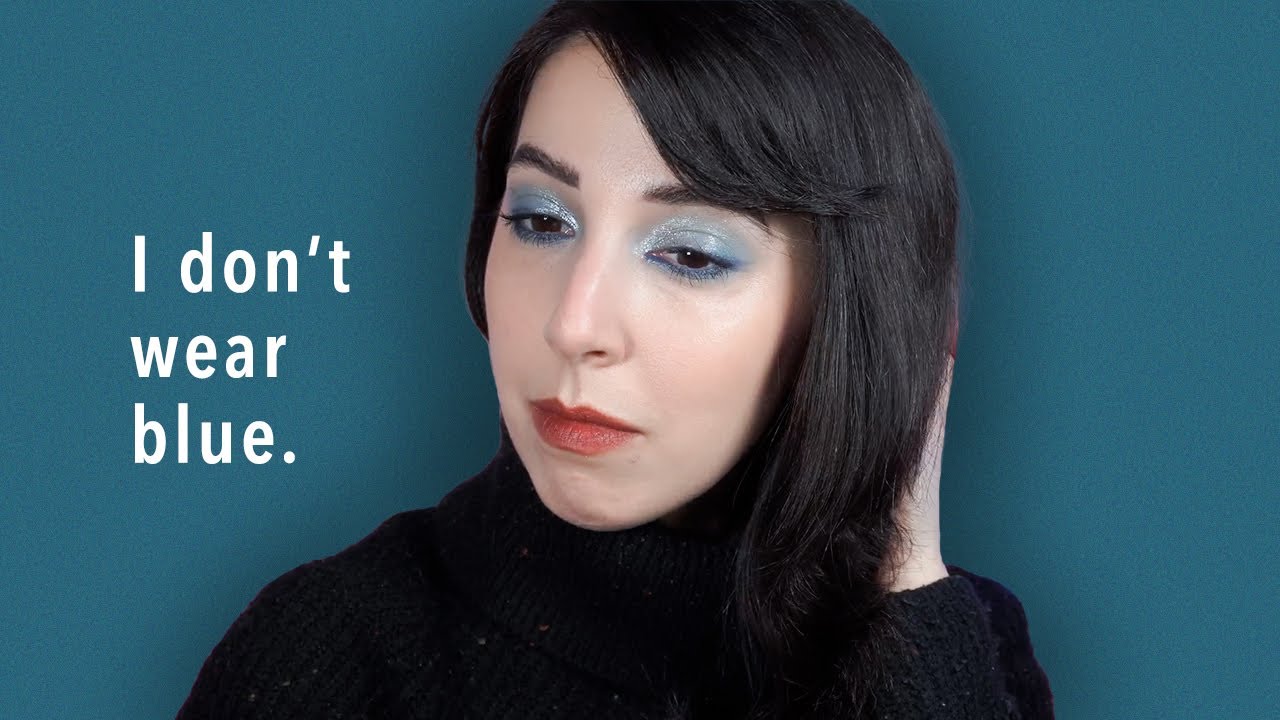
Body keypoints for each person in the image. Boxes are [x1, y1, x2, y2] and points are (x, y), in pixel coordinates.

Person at [176, 1, 1053, 718]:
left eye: (691, 254)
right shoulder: (334, 652)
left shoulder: (956, 647)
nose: (575, 324)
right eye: (541, 221)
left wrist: (904, 586)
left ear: (846, 311)